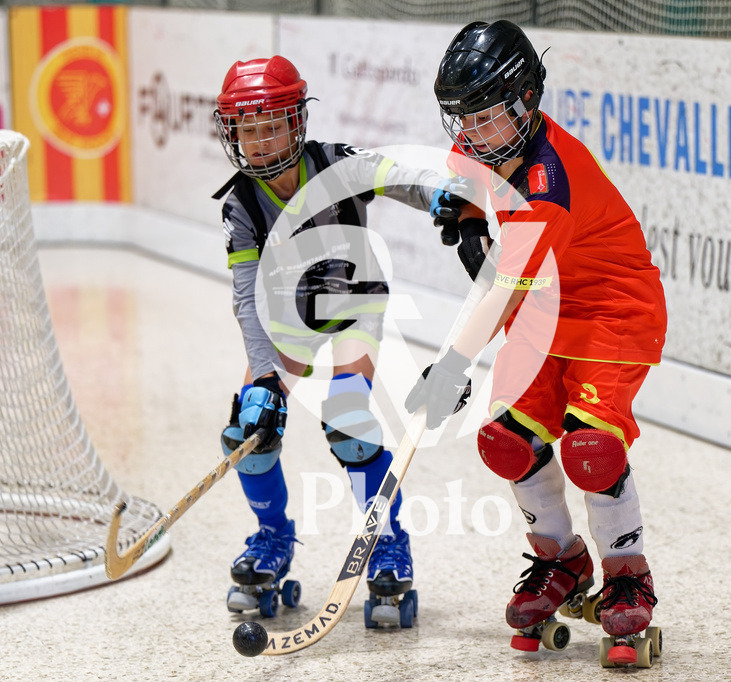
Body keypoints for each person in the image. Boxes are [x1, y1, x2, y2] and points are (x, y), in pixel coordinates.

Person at [405, 21, 667, 663]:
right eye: (461, 120)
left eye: (487, 118)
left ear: (528, 101)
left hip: (613, 307)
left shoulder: (552, 180)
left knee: (590, 448)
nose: (471, 134)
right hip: (547, 307)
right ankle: (562, 559)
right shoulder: (485, 143)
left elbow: (502, 290)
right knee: (505, 441)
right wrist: (467, 221)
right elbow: (464, 183)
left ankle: (628, 574)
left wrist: (451, 366)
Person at [212, 55, 468, 623]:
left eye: (269, 126)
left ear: (296, 122)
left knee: (349, 418)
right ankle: (272, 538)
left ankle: (387, 542)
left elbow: (396, 175)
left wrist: (441, 196)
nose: (257, 143)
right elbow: (245, 295)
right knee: (250, 426)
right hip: (284, 317)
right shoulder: (241, 204)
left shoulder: (333, 163)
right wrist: (263, 380)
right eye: (245, 131)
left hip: (353, 303)